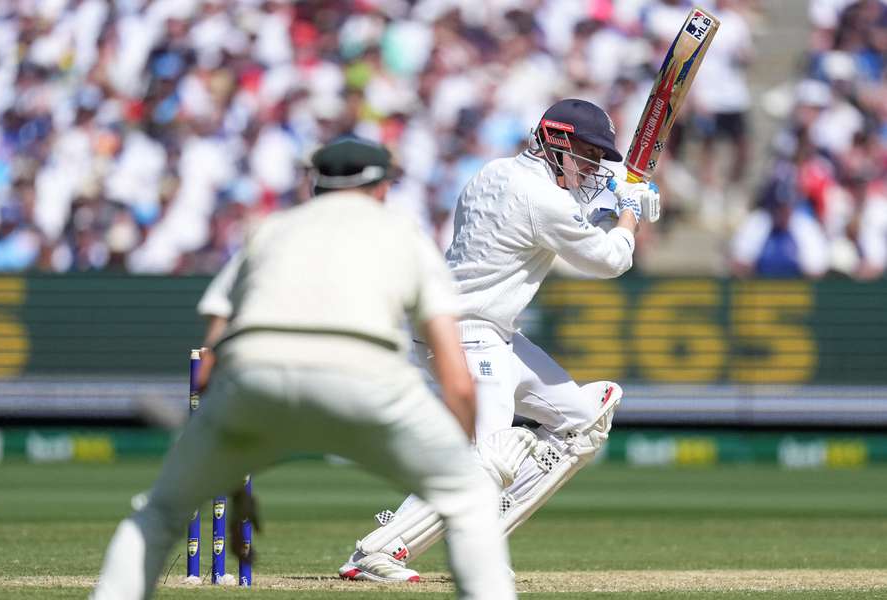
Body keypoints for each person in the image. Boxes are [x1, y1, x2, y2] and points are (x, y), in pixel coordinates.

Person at [91, 137, 517, 600]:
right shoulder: (403, 234)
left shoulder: (272, 229)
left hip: (253, 377)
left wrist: (223, 455)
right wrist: (460, 455)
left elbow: (211, 350)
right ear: (379, 188)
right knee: (471, 501)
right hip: (367, 376)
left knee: (158, 513)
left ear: (315, 184)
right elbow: (455, 374)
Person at [336, 98, 661, 582]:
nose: (594, 167)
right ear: (557, 141)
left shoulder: (494, 173)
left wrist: (615, 200)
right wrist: (630, 217)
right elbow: (609, 260)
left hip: (482, 331)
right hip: (469, 334)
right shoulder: (542, 200)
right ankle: (377, 553)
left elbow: (557, 217)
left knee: (582, 421)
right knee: (486, 456)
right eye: (589, 155)